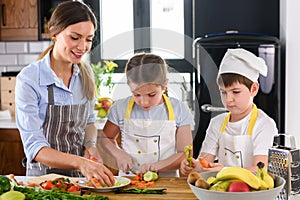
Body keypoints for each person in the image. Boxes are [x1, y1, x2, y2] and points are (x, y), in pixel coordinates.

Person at [15, 1, 114, 186]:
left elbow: (89, 122)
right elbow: (35, 148)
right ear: (54, 32)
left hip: (80, 180)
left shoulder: (86, 74)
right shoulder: (29, 79)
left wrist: (91, 145)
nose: (83, 46)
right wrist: (81, 163)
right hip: (43, 182)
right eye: (75, 37)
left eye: (89, 39)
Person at [180, 48, 278, 176]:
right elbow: (204, 162)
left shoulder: (264, 124)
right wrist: (192, 165)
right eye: (223, 92)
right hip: (221, 192)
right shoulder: (217, 123)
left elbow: (261, 169)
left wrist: (225, 171)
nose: (228, 99)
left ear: (253, 89)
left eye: (235, 92)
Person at [100, 52, 194, 177]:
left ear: (164, 85)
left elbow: (185, 153)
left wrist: (157, 166)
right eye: (137, 94)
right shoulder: (119, 108)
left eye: (151, 95)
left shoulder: (179, 109)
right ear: (129, 85)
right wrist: (119, 155)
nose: (144, 102)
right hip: (129, 179)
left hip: (167, 180)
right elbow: (106, 138)